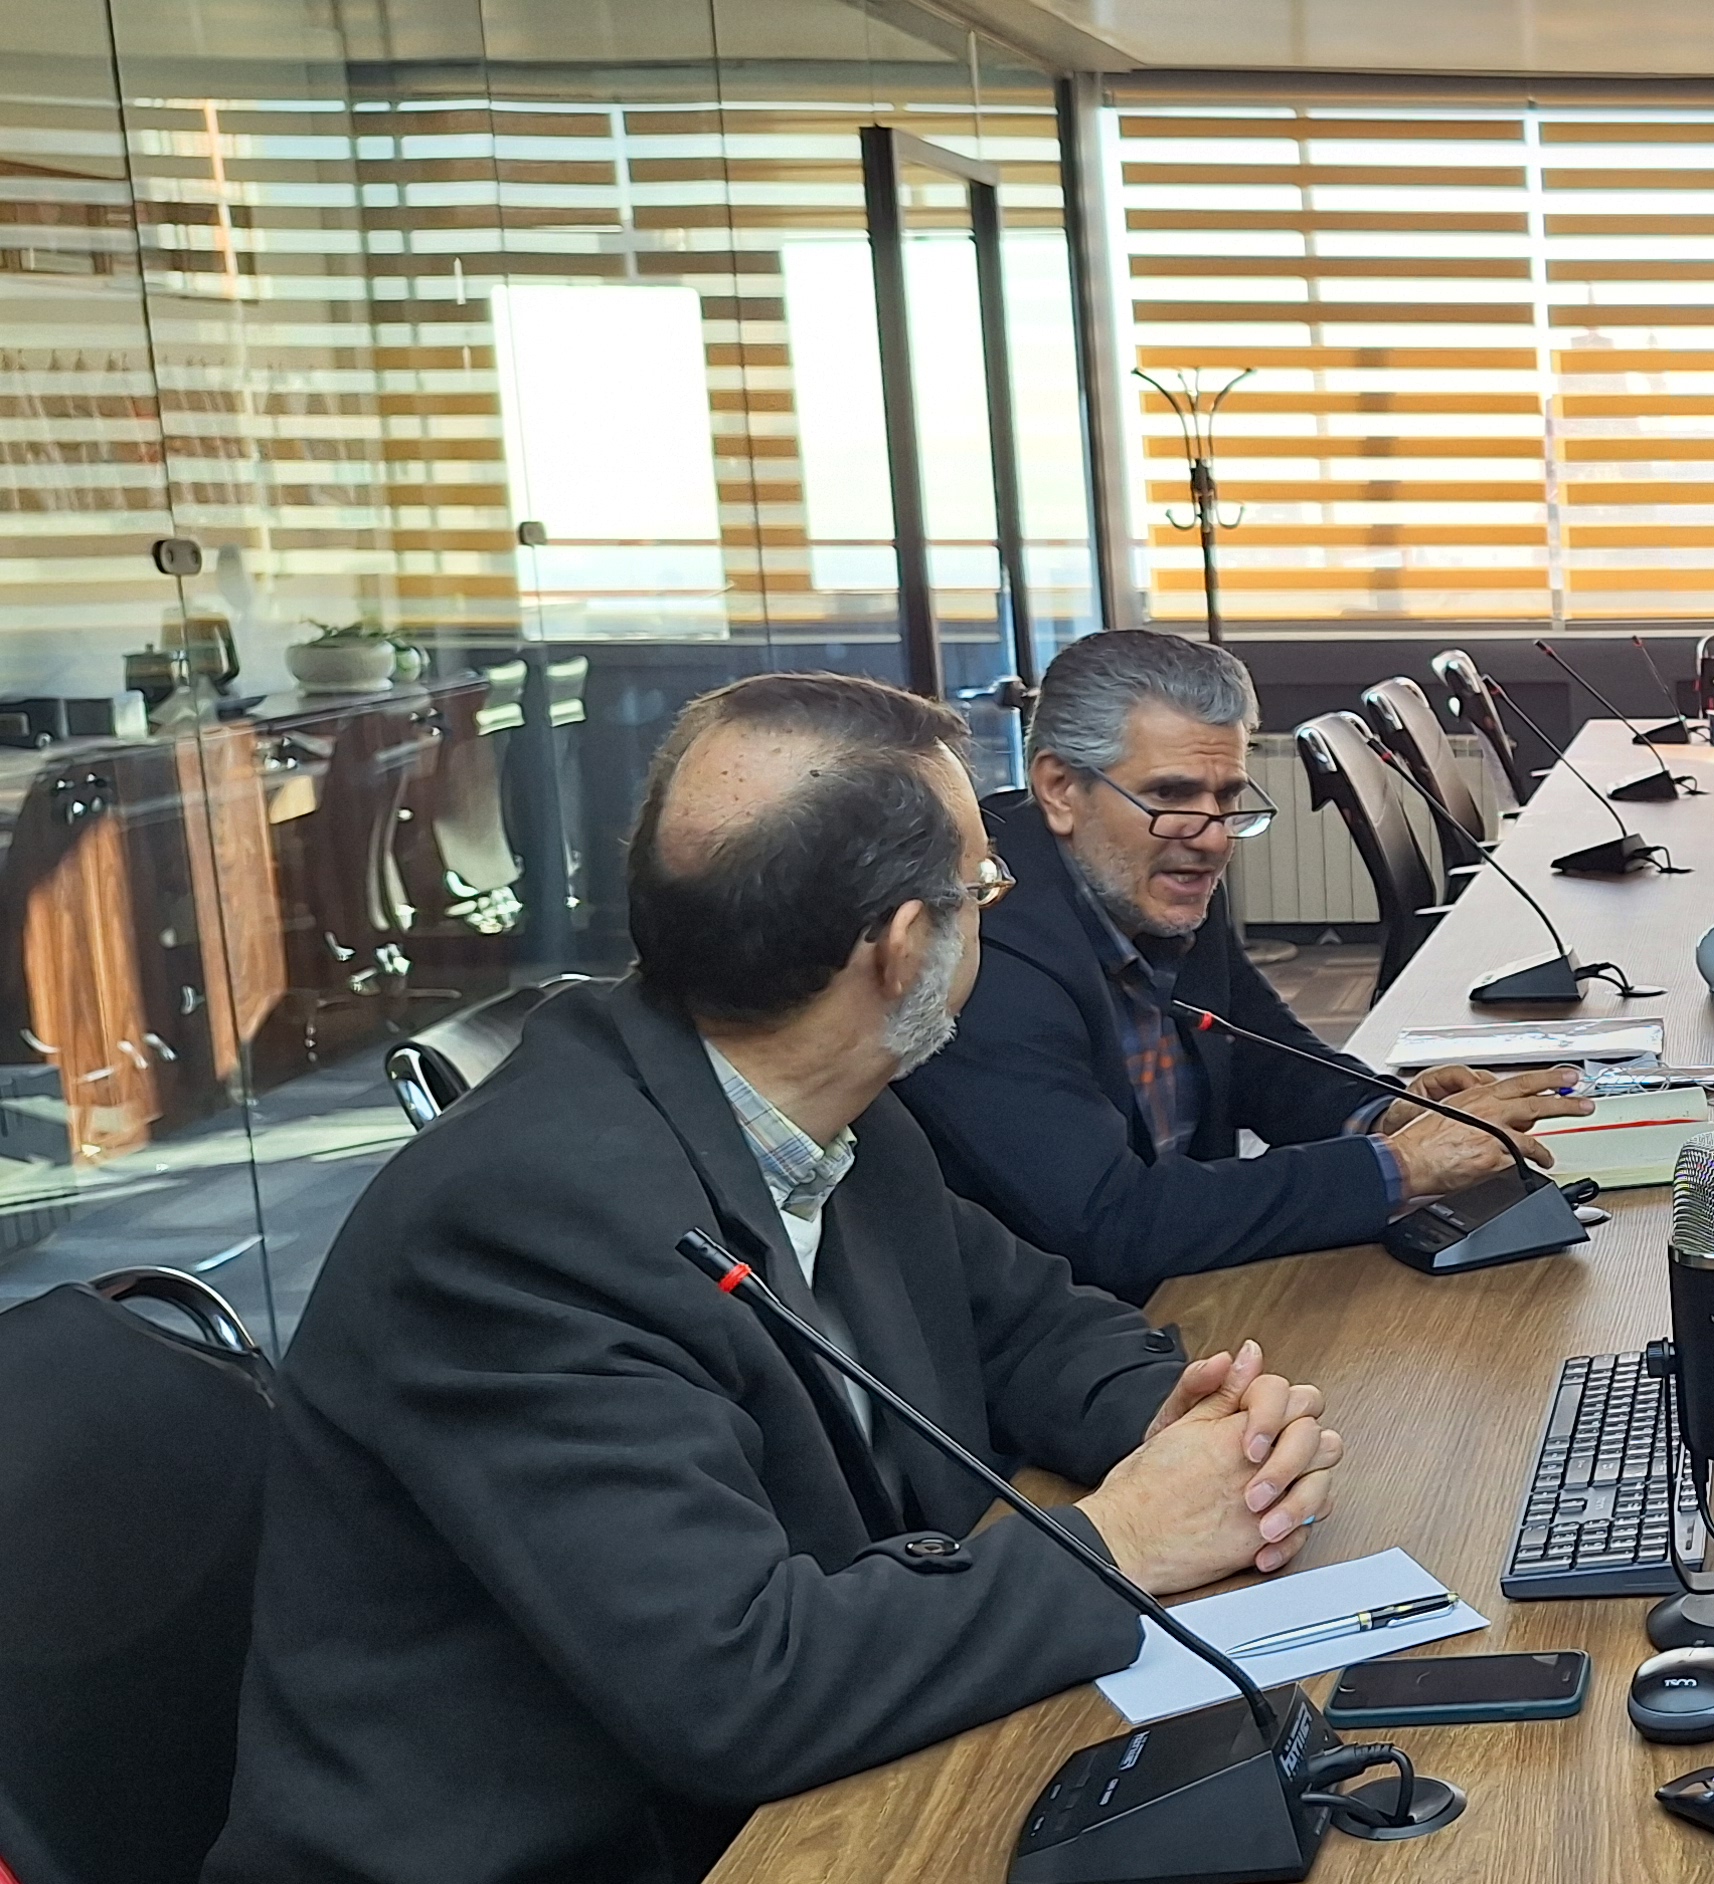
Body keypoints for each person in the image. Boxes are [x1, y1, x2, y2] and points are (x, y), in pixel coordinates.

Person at [211, 675, 1352, 1884]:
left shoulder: (829, 1101)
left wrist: (1186, 1421)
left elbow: (1025, 1325)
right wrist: (1121, 1540)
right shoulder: (521, 1228)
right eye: (984, 888)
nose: (1000, 910)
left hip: (811, 1786)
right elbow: (736, 1684)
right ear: (903, 950)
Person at [896, 630, 1590, 1296]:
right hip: (1081, 1334)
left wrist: (1387, 1115)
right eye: (1170, 796)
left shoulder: (1156, 865)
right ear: (1058, 789)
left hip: (1197, 1285)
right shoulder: (980, 943)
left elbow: (1263, 1057)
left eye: (1228, 798)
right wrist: (1404, 1165)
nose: (1212, 838)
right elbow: (1108, 1220)